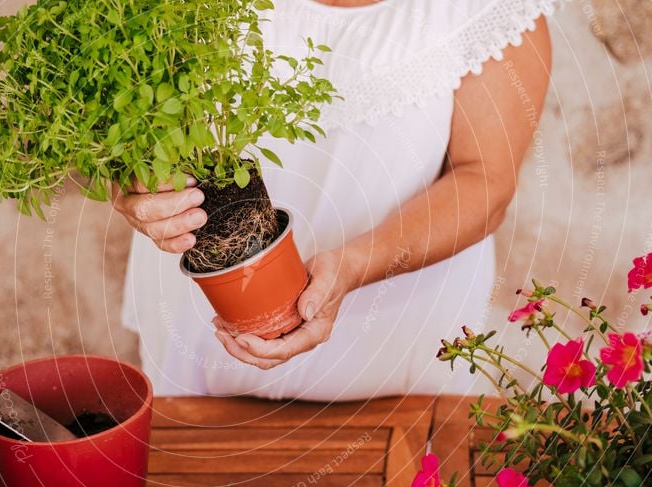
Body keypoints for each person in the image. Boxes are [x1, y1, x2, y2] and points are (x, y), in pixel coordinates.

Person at [114, 0, 556, 401]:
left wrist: (352, 265)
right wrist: (131, 188)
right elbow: (123, 117)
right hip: (194, 346)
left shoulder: (486, 9)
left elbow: (485, 180)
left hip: (392, 365)